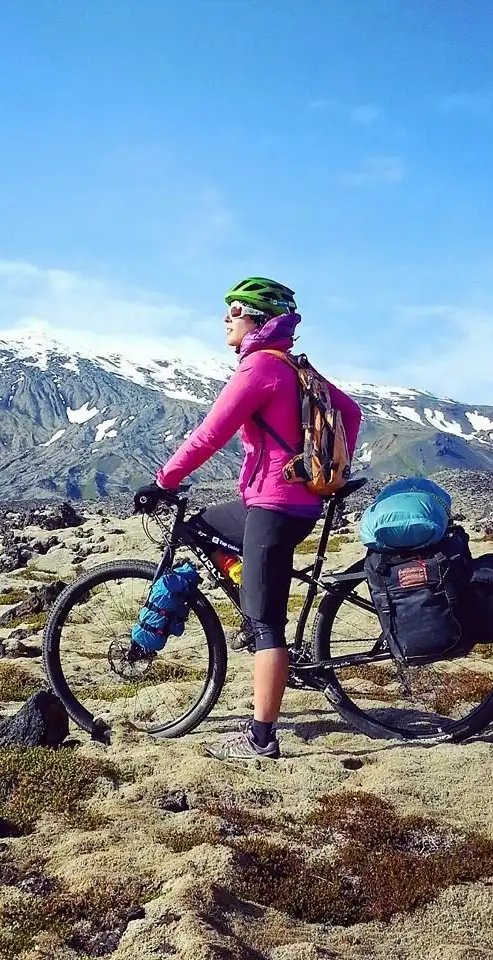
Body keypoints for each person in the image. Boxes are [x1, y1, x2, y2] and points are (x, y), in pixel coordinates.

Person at [134, 277, 362, 761]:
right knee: (203, 527)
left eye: (235, 310)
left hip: (274, 508)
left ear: (258, 318)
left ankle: (261, 738)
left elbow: (210, 435)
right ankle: (248, 586)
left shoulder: (260, 367)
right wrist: (327, 473)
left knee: (266, 624)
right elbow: (351, 411)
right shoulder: (294, 366)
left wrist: (164, 481)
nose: (225, 318)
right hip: (295, 503)